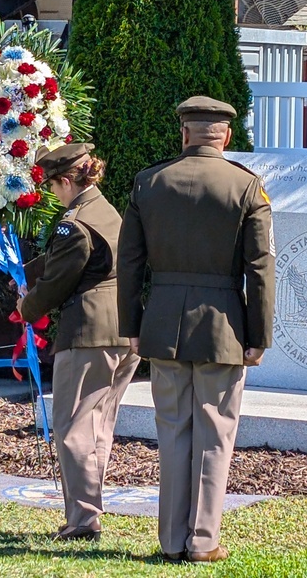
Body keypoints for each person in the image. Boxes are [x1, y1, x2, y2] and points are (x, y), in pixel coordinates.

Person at [117, 96, 275, 563]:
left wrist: (132, 327)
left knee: (172, 435)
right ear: (224, 136)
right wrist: (258, 335)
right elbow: (261, 267)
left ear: (184, 133)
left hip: (164, 324)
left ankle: (169, 541)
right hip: (223, 326)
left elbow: (130, 265)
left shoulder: (149, 183)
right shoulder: (246, 187)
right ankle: (202, 540)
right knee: (215, 434)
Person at [17, 143, 139, 542]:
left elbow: (58, 280)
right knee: (99, 428)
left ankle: (83, 520)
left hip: (88, 332)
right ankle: (87, 511)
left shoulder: (76, 222)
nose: (53, 194)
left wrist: (26, 305)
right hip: (123, 330)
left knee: (73, 427)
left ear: (66, 181)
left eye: (53, 186)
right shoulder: (107, 211)